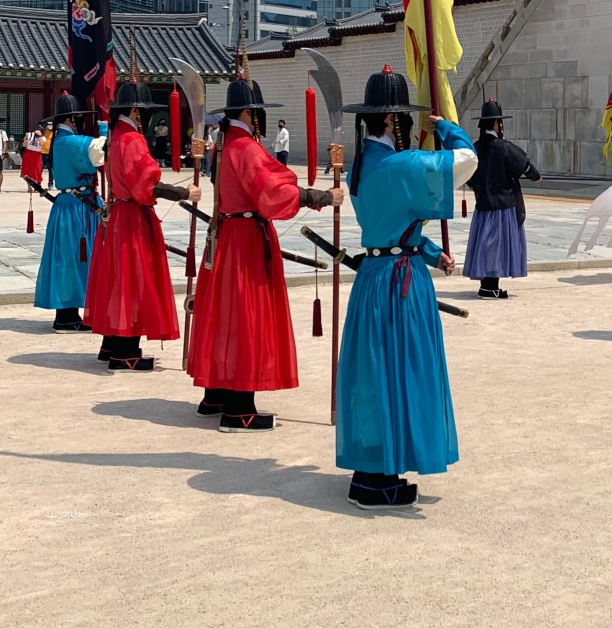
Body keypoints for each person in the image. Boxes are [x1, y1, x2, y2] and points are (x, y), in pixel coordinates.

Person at [336, 66, 477, 510]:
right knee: (402, 369)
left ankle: (372, 469)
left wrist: (432, 252)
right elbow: (467, 161)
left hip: (374, 278)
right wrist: (450, 128)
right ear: (396, 121)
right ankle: (381, 476)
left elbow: (396, 226)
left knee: (375, 372)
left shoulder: (361, 168)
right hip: (400, 285)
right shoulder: (403, 164)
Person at [187, 77, 341, 431]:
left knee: (224, 313)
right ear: (248, 111)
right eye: (257, 111)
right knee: (244, 315)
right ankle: (239, 406)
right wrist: (318, 198)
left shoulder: (224, 144)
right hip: (244, 240)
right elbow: (272, 192)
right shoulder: (245, 147)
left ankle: (217, 391)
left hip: (226, 235)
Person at [84, 80, 202, 371]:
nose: (146, 118)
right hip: (133, 217)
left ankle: (112, 342)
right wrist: (183, 193)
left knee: (117, 278)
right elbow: (145, 184)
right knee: (133, 280)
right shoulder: (133, 140)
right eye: (144, 112)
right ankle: (126, 350)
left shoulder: (114, 136)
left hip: (116, 214)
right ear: (136, 111)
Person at [34, 94, 106, 331]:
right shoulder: (70, 141)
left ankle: (67, 314)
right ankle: (68, 315)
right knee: (76, 258)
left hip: (67, 204)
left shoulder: (56, 140)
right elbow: (100, 151)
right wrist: (106, 127)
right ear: (73, 118)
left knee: (67, 258)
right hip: (78, 207)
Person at [463, 98, 540, 300]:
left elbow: (468, 175)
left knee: (485, 245)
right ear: (497, 124)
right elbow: (527, 167)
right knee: (497, 247)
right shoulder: (503, 146)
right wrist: (536, 176)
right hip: (503, 205)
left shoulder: (475, 148)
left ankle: (488, 285)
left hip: (483, 206)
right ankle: (490, 287)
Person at [40, 121, 54, 187]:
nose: (50, 126)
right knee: (40, 169)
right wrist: (47, 123)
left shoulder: (54, 133)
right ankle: (38, 183)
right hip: (42, 153)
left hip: (50, 153)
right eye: (49, 125)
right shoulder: (43, 131)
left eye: (51, 124)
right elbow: (42, 125)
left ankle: (50, 184)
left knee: (51, 170)